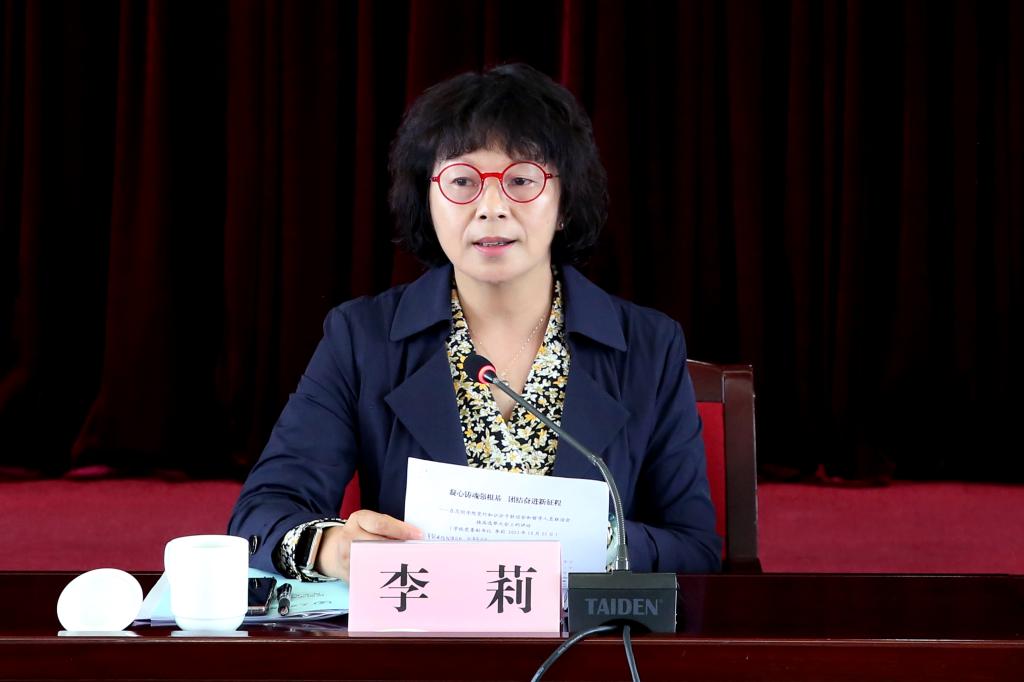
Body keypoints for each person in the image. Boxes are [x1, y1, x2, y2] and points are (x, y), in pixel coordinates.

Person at [229, 63, 721, 582]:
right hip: (421, 626)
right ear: (427, 201)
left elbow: (695, 549)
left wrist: (599, 543)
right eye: (462, 181)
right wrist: (335, 549)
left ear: (565, 205)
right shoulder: (362, 337)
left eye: (521, 181)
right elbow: (262, 511)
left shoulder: (648, 345)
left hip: (585, 631)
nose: (491, 208)